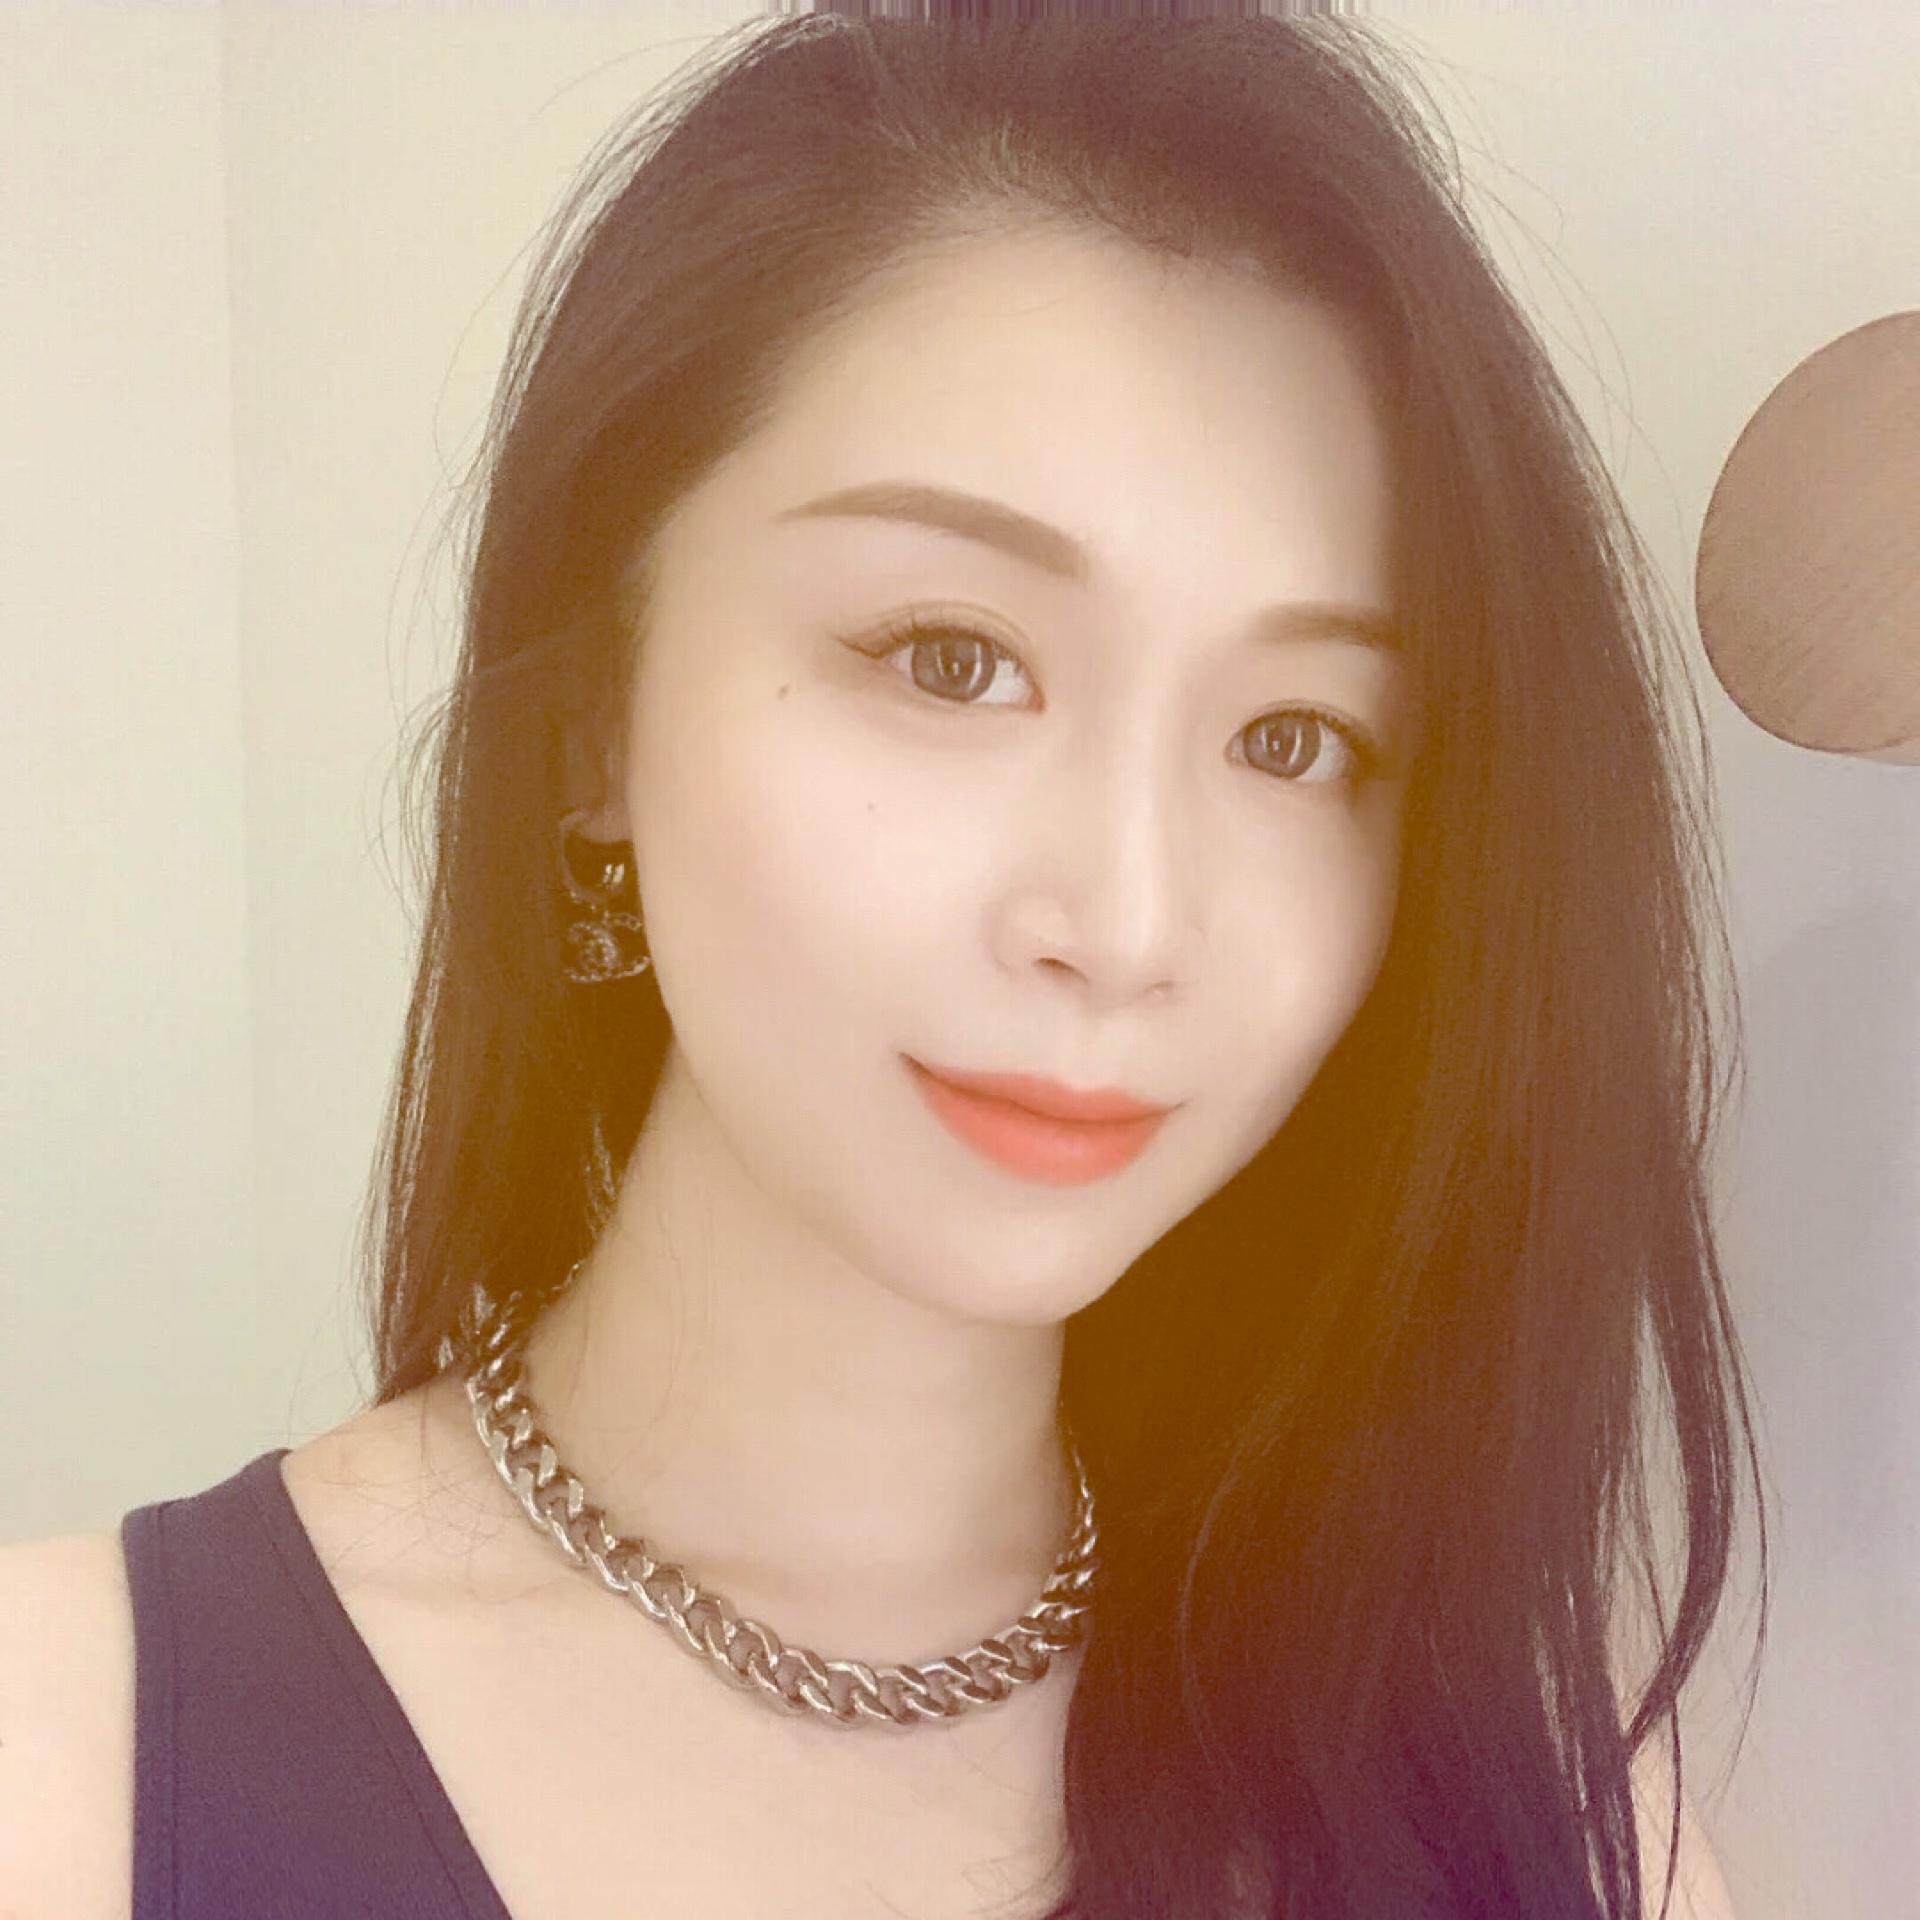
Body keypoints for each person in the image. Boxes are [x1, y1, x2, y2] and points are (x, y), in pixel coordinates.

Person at [0, 12, 1763, 1918]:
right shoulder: (69, 1762)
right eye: (950, 659)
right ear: (593, 721)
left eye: (1292, 739)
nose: (1128, 922)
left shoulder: (1530, 1787)